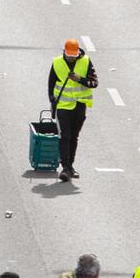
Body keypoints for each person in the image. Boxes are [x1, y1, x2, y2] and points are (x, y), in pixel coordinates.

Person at [48, 40, 97, 181]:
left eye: (73, 55)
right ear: (64, 52)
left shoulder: (86, 62)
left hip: (80, 105)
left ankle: (70, 166)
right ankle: (65, 167)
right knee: (65, 135)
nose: (71, 58)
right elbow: (51, 84)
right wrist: (52, 100)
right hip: (63, 106)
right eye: (69, 55)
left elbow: (94, 83)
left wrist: (79, 79)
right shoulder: (57, 63)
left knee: (74, 136)